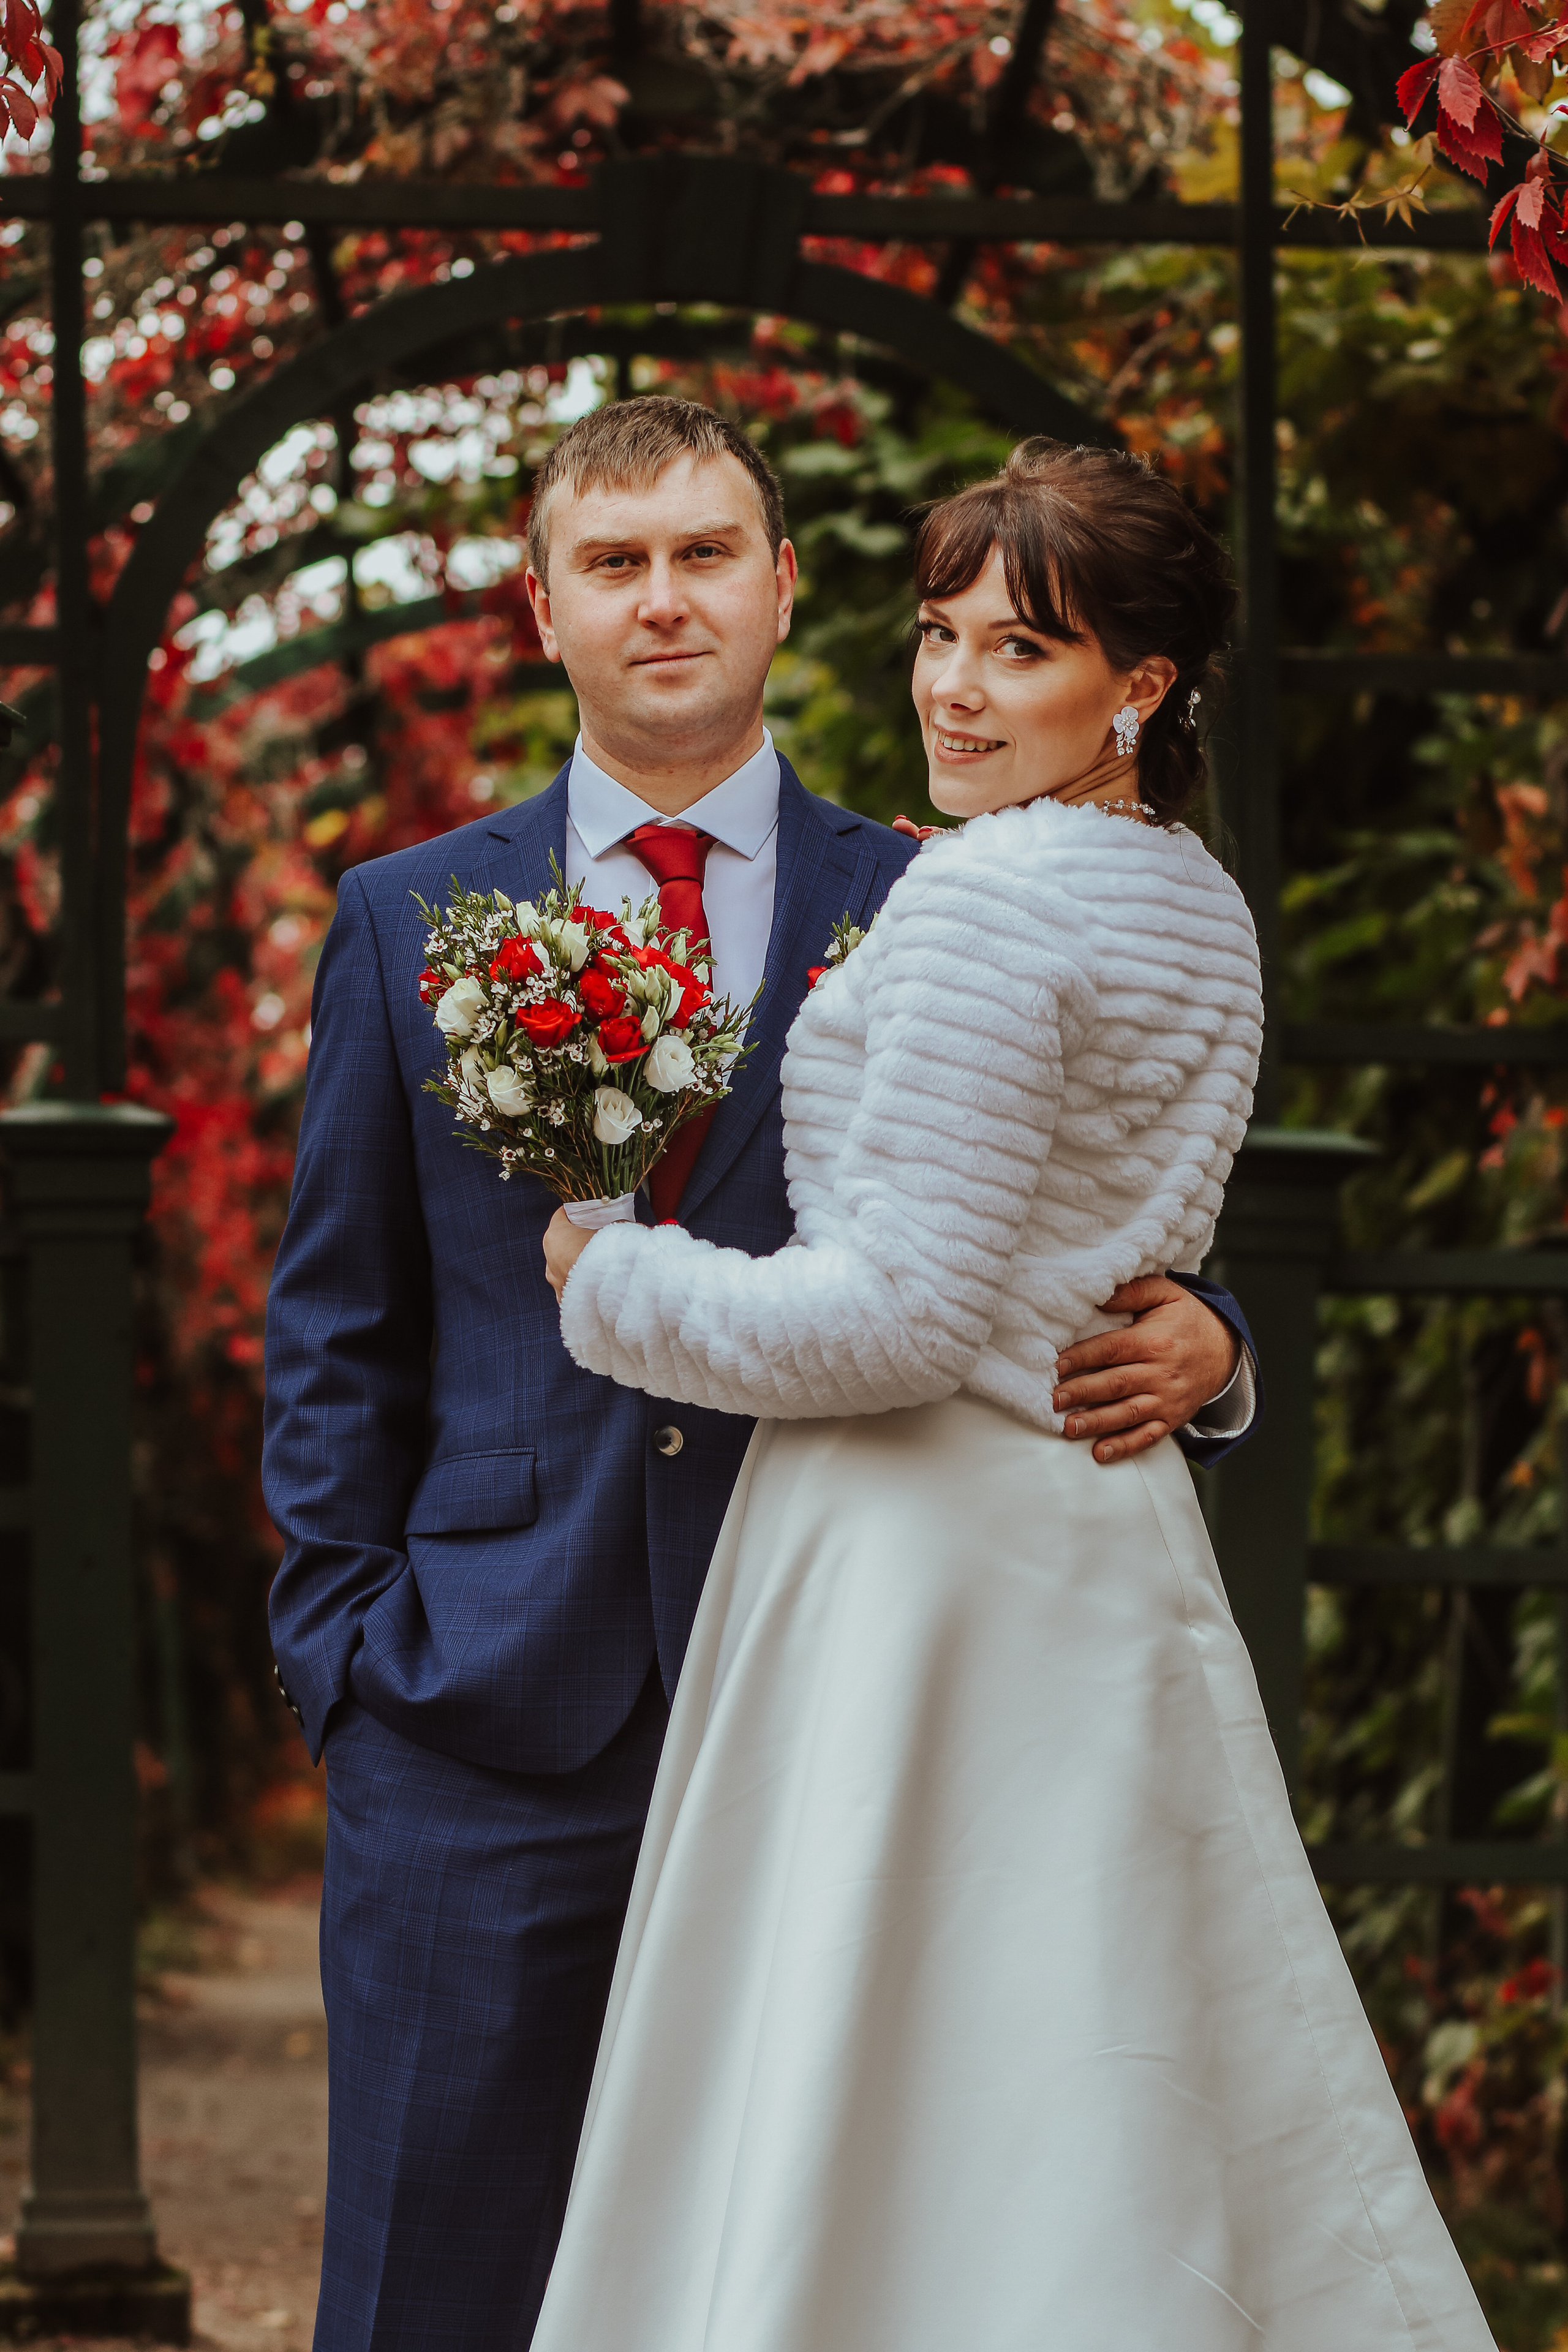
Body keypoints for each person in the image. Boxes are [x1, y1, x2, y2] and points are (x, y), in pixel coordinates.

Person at [262, 401, 1262, 2352]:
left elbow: (1075, 1205)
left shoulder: (947, 886)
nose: (665, 601)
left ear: (783, 585)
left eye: (708, 553)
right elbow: (338, 1326)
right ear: (539, 608)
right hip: (479, 1718)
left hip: (850, 1702)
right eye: (615, 565)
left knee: (805, 2274)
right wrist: (351, 1665)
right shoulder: (400, 921)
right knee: (428, 2287)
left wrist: (1215, 1333)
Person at [534, 440, 1493, 2350]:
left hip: (923, 1548)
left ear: (1135, 686)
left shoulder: (980, 905)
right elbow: (1094, 1234)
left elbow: (895, 1319)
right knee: (1095, 2061)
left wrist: (608, 1280)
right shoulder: (1191, 897)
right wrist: (1196, 1344)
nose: (958, 687)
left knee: (893, 2075)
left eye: (1023, 649)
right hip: (1094, 1524)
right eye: (940, 633)